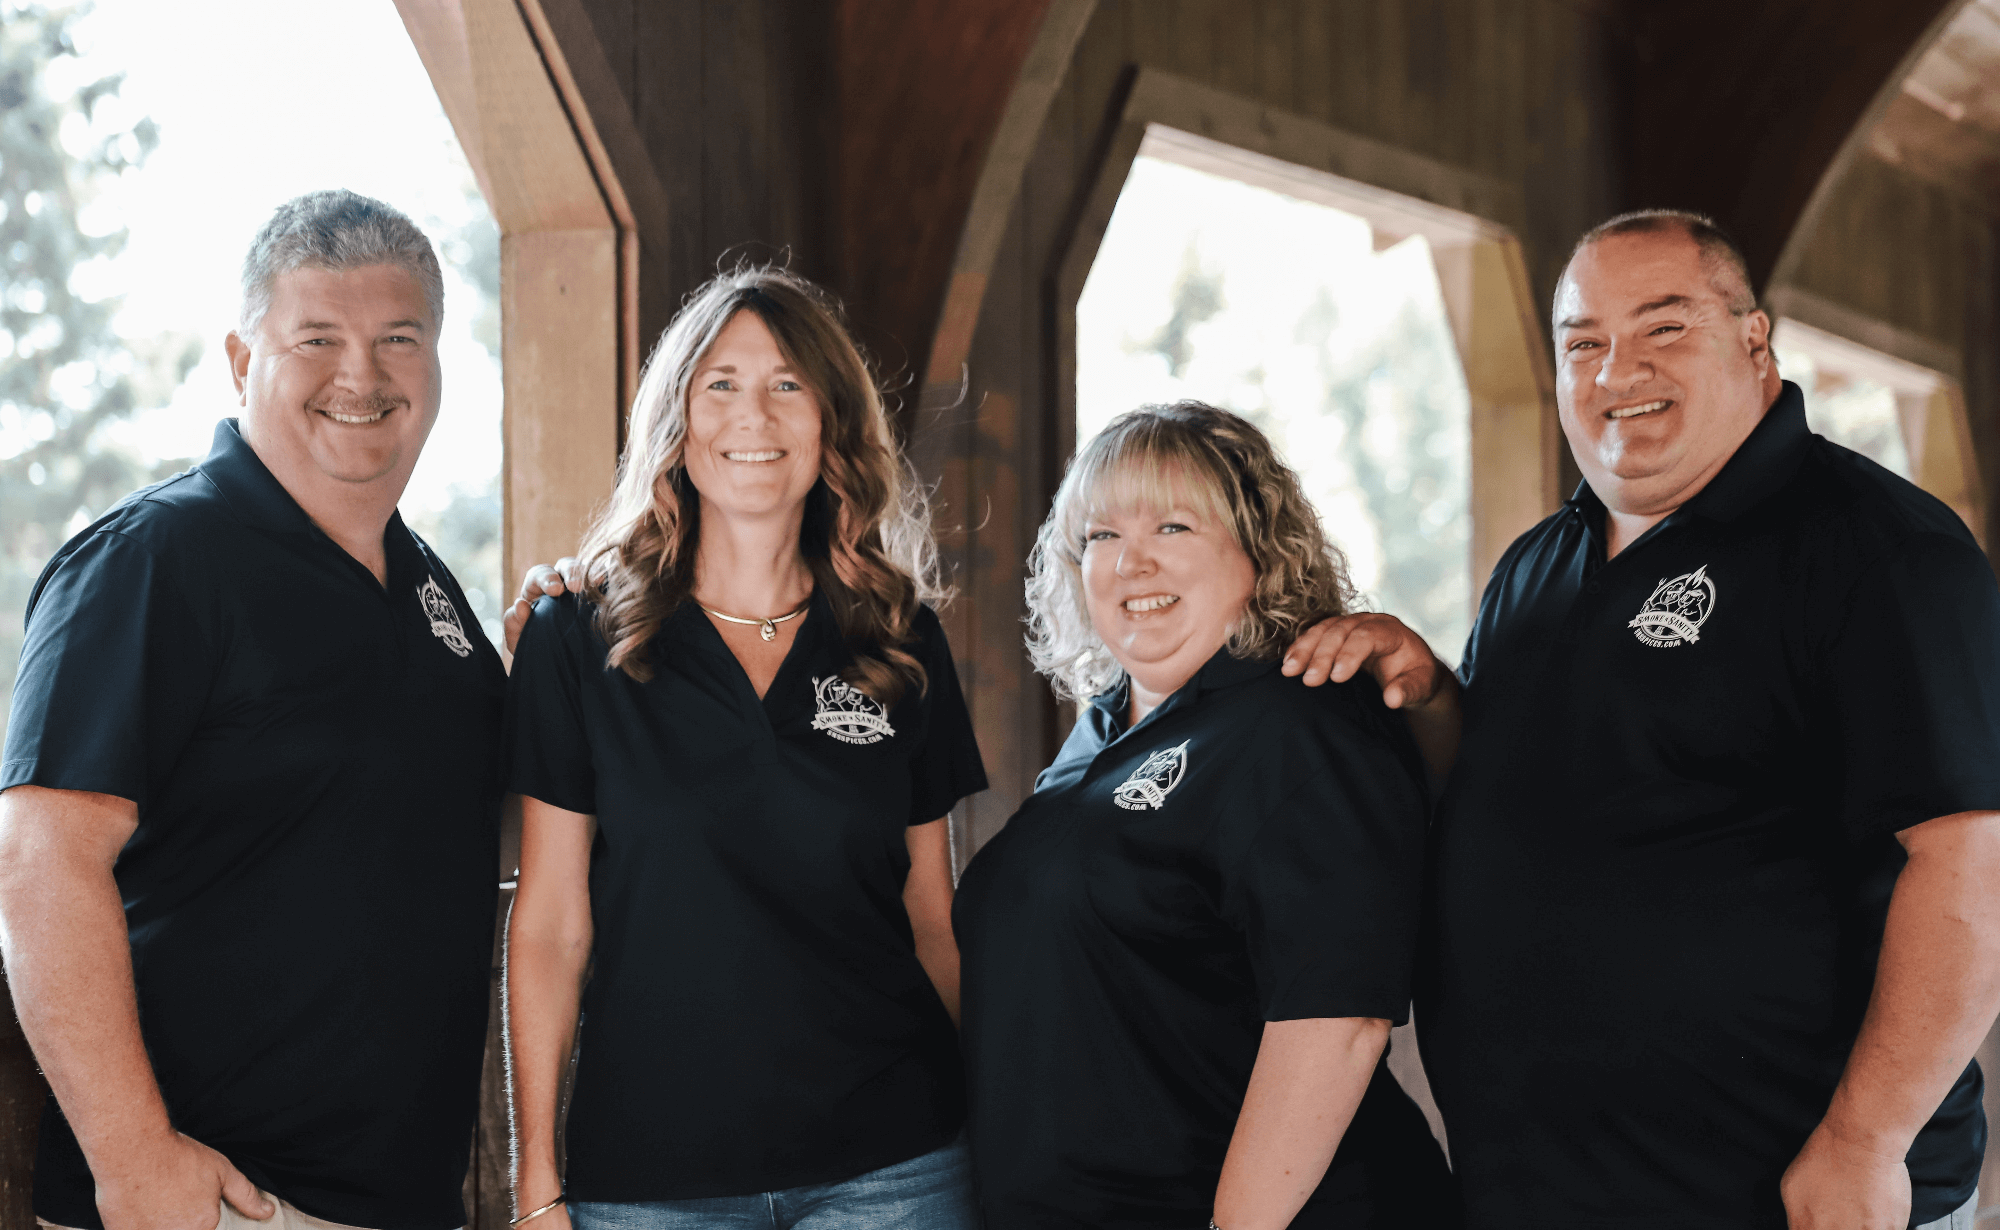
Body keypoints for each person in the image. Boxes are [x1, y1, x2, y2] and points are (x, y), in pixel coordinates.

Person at [1284, 210, 2000, 1229]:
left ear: (1753, 341)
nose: (1616, 369)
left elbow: (1968, 862)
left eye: (1663, 328)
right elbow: (1515, 795)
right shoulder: (1535, 563)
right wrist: (1433, 694)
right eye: (1582, 341)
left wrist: (1866, 1139)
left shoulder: (1879, 551)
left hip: (1783, 1199)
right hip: (1537, 1194)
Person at [0, 190, 506, 1230]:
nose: (359, 375)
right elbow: (41, 858)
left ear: (437, 366)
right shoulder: (152, 562)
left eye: (396, 339)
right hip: (217, 1203)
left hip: (405, 1205)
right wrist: (133, 1156)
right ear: (240, 360)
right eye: (315, 338)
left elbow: (495, 823)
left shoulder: (432, 594)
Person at [502, 266, 986, 1230]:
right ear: (677, 423)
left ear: (829, 421)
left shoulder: (897, 638)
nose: (752, 416)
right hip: (649, 1179)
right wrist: (535, 1182)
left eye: (787, 384)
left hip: (893, 1166)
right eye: (720, 383)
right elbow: (553, 922)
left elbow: (931, 914)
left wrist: (999, 1125)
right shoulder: (576, 638)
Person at [950, 401, 1455, 1230]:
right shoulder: (1105, 728)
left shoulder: (1305, 721)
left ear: (1258, 547)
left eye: (1173, 527)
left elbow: (1337, 1022)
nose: (1130, 563)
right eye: (1101, 537)